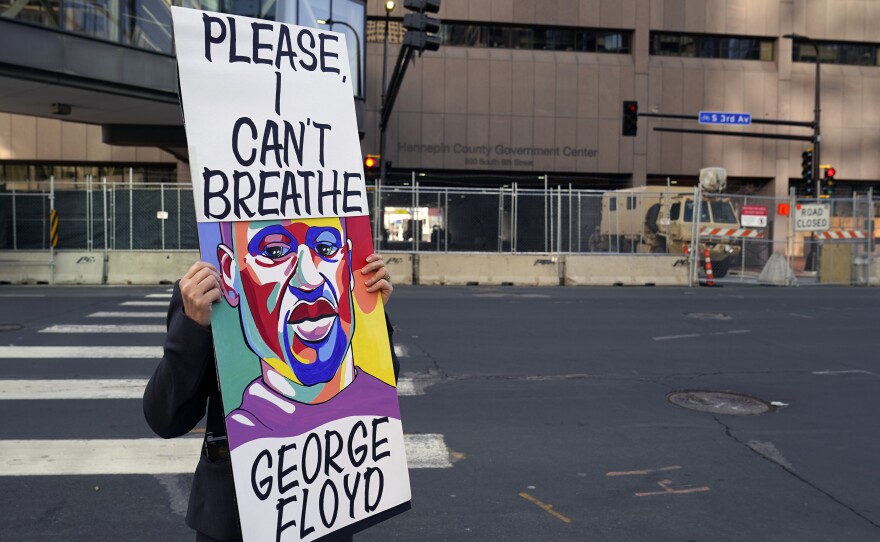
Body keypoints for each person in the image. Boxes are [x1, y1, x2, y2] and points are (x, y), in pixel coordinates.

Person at [143, 217, 396, 542]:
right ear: (230, 271)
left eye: (326, 248)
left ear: (346, 261)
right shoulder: (203, 299)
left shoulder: (353, 304)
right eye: (275, 250)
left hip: (326, 518)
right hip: (233, 521)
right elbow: (166, 418)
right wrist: (193, 326)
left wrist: (372, 318)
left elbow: (381, 397)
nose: (309, 277)